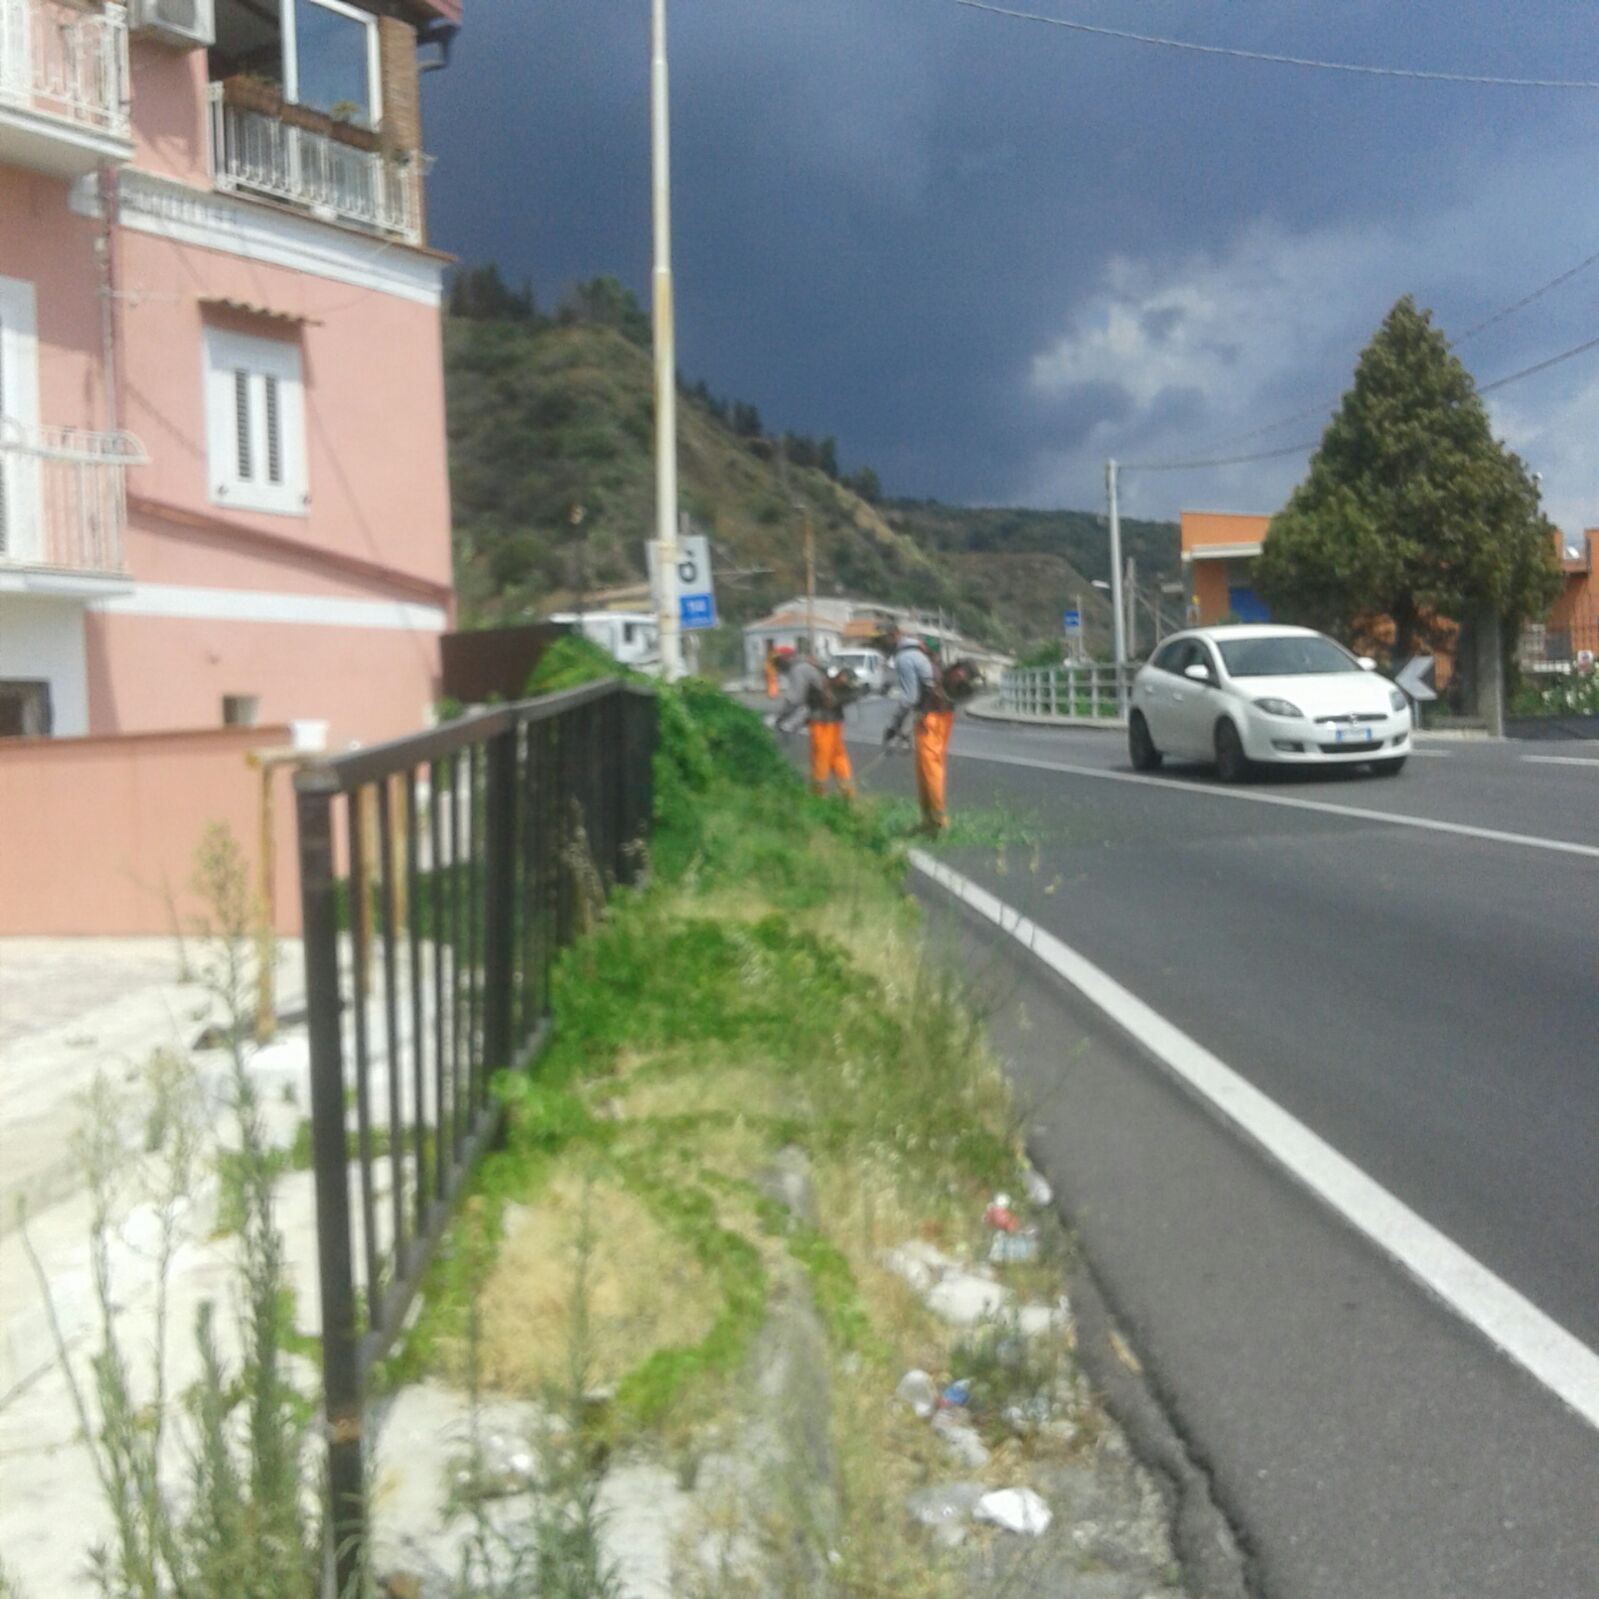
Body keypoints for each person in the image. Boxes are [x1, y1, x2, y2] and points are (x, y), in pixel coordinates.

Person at [882, 626, 953, 833]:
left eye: (881, 640)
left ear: (893, 637)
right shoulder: (921, 654)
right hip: (943, 715)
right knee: (932, 766)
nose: (880, 645)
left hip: (929, 717)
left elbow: (909, 698)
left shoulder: (905, 657)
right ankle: (928, 820)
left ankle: (937, 822)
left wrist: (893, 726)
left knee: (929, 769)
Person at [774, 651, 855, 799]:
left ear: (785, 659)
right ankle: (848, 793)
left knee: (820, 756)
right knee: (837, 755)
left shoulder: (798, 669)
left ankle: (818, 795)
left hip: (821, 719)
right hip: (835, 717)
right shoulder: (811, 665)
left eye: (777, 662)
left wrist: (781, 718)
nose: (776, 667)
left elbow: (795, 698)